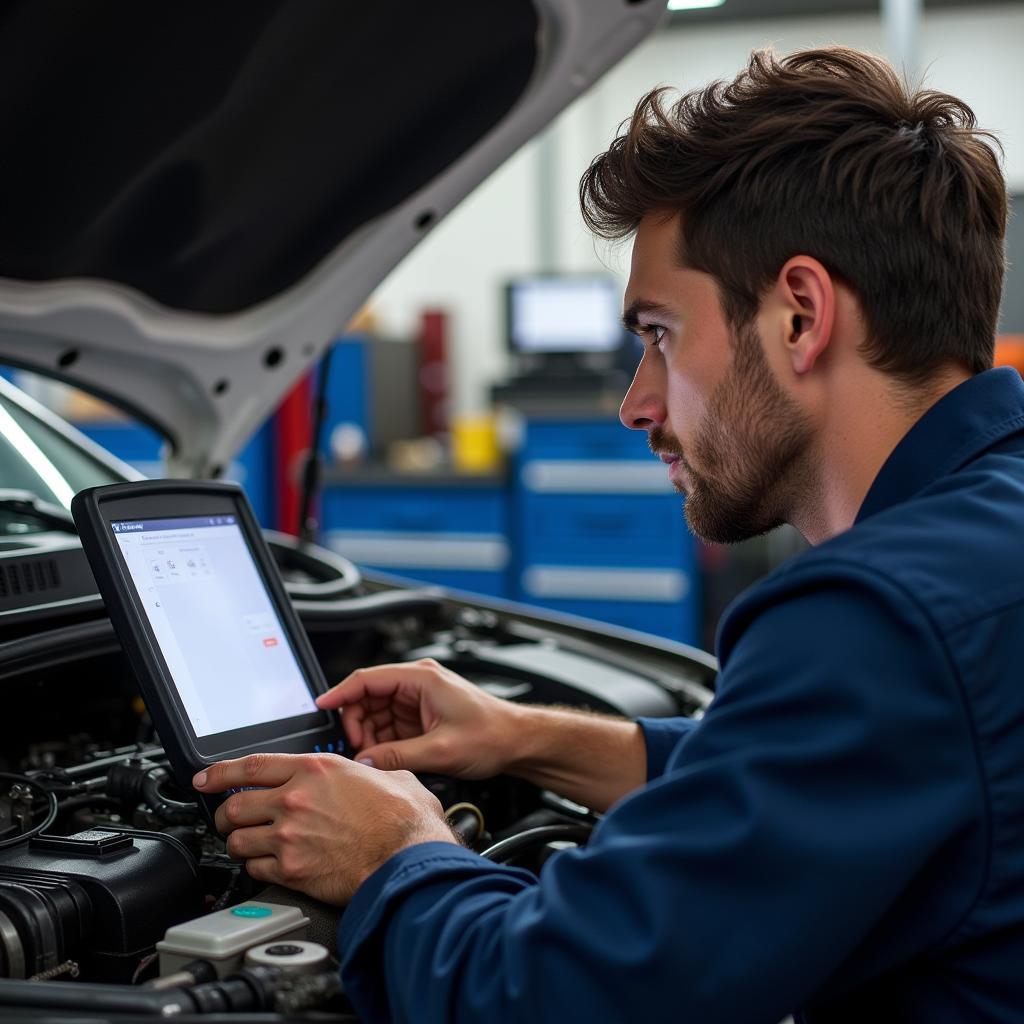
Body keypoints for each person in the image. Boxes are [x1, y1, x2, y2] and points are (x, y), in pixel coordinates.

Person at [191, 47, 1022, 1022]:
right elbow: (838, 777)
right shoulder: (979, 544)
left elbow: (553, 993)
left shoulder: (878, 617)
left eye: (658, 333)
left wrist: (396, 854)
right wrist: (526, 738)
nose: (635, 403)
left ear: (800, 315)